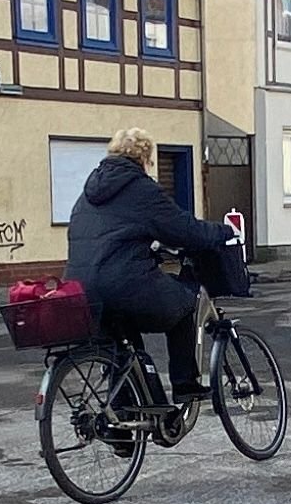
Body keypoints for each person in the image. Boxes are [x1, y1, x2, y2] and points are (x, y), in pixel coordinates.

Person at [64, 129, 237, 401]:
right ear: (144, 157)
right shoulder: (140, 188)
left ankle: (123, 428)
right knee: (188, 304)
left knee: (121, 349)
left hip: (81, 291)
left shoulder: (87, 193)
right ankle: (185, 384)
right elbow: (183, 229)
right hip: (123, 283)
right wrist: (223, 232)